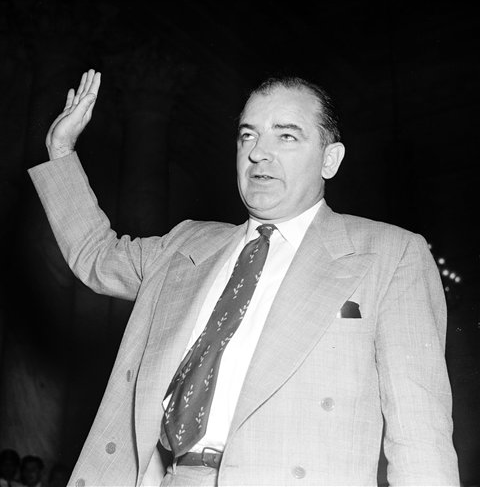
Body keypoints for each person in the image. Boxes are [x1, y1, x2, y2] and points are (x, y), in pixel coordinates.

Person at [28, 69, 460, 486]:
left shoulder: (390, 254)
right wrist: (61, 152)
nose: (258, 152)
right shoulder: (186, 245)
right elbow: (97, 256)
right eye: (248, 135)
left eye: (286, 136)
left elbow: (420, 435)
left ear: (330, 159)